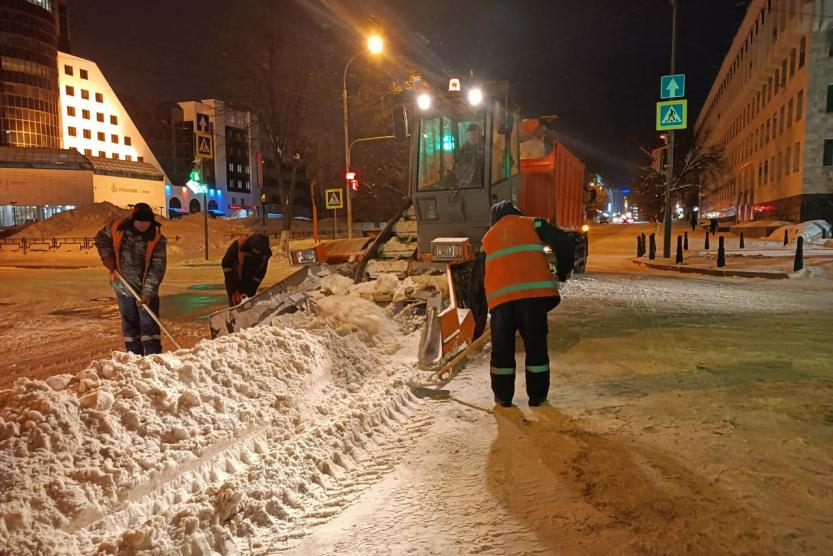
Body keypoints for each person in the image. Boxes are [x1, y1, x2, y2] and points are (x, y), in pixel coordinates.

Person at [481, 201, 575, 408]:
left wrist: (480, 316)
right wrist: (563, 271)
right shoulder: (534, 224)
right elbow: (564, 241)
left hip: (501, 304)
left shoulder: (488, 237)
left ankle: (503, 397)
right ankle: (537, 396)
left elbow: (479, 279)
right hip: (533, 299)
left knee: (502, 352)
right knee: (536, 348)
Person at [95, 202, 167, 355]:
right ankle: (134, 358)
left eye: (146, 222)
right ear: (133, 219)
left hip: (145, 290)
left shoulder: (156, 239)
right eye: (140, 221)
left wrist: (148, 292)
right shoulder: (118, 228)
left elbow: (157, 268)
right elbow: (101, 238)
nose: (143, 225)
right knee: (130, 325)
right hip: (122, 286)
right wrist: (106, 256)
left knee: (149, 326)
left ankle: (154, 358)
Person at [221, 233, 272, 306]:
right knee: (235, 301)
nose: (257, 252)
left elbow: (260, 274)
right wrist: (233, 288)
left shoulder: (264, 254)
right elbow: (226, 265)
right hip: (235, 276)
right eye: (255, 250)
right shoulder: (238, 245)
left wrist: (250, 291)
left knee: (247, 303)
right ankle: (233, 313)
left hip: (250, 279)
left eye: (259, 251)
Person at [450, 122, 485, 187]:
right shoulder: (464, 147)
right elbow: (457, 162)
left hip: (481, 181)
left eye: (475, 133)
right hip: (465, 181)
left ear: (479, 134)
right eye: (471, 133)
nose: (472, 135)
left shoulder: (483, 147)